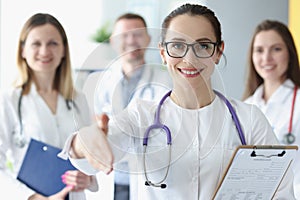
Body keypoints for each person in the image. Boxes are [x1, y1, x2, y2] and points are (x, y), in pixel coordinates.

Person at [60, 4, 295, 199]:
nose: (189, 59)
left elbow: (281, 192)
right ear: (163, 52)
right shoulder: (141, 116)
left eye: (203, 46)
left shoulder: (250, 119)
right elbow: (92, 149)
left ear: (218, 51)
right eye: (178, 46)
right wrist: (86, 141)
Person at [0, 13, 98, 199]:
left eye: (53, 43)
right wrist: (33, 197)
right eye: (36, 44)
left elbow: (89, 155)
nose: (45, 51)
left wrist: (88, 178)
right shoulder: (8, 100)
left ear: (63, 51)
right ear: (23, 50)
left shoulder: (78, 100)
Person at [85, 13, 172, 200]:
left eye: (138, 34)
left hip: (149, 178)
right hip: (108, 179)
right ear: (113, 41)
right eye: (124, 35)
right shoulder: (97, 83)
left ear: (148, 39)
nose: (132, 40)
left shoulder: (166, 82)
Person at [242, 19, 300, 199]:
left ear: (289, 53)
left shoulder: (297, 101)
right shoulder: (246, 106)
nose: (266, 58)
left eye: (276, 49)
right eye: (259, 50)